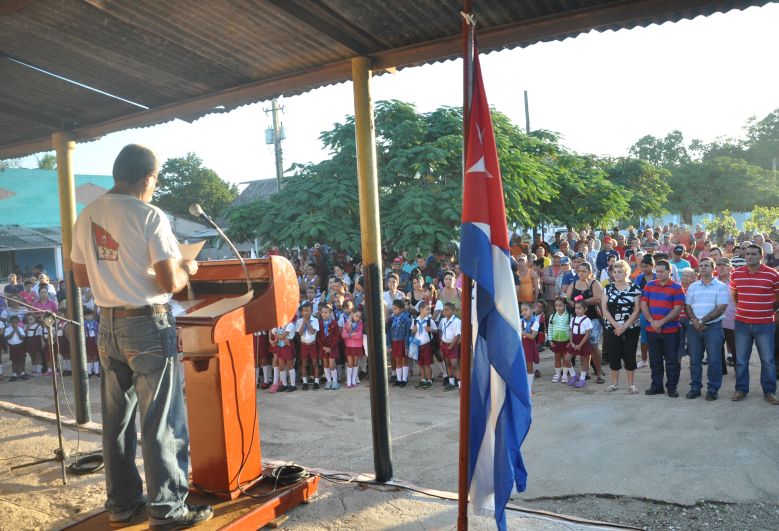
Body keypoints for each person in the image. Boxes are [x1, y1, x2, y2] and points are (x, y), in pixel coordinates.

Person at [70, 144, 212, 528]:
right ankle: (168, 510)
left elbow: (81, 277)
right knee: (160, 419)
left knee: (117, 422)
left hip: (108, 324)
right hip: (148, 323)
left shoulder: (87, 215)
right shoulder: (149, 214)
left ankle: (123, 505)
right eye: (156, 178)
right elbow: (170, 281)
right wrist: (189, 267)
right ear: (148, 177)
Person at [729, 244, 779, 405]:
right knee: (742, 359)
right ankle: (741, 389)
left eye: (754, 254)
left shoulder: (772, 275)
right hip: (742, 323)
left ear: (761, 255)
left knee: (768, 360)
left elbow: (778, 297)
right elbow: (734, 295)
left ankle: (769, 391)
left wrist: (767, 311)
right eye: (747, 254)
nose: (750, 256)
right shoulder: (736, 274)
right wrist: (745, 308)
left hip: (764, 324)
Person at [684, 257, 729, 400]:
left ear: (713, 268)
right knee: (694, 360)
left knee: (714, 360)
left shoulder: (720, 286)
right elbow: (688, 306)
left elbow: (721, 308)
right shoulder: (693, 286)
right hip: (694, 328)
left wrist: (702, 321)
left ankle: (713, 389)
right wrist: (694, 321)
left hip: (713, 327)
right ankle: (695, 388)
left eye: (706, 265)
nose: (702, 267)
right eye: (701, 265)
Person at [640, 259, 685, 397]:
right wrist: (652, 321)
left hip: (671, 331)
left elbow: (677, 309)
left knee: (672, 361)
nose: (658, 274)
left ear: (670, 272)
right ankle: (657, 386)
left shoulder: (677, 288)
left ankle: (672, 387)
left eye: (662, 271)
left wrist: (661, 322)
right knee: (655, 360)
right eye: (657, 271)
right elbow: (643, 305)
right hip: (652, 329)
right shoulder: (649, 285)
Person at [601, 260, 642, 394]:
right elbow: (604, 309)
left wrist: (624, 326)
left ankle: (631, 385)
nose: (617, 274)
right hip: (612, 327)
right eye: (615, 272)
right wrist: (616, 325)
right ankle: (614, 384)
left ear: (627, 272)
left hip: (630, 328)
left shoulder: (635, 288)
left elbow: (637, 310)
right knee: (614, 354)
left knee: (630, 355)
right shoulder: (607, 288)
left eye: (620, 271)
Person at [565, 262, 605, 384]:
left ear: (590, 272)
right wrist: (573, 304)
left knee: (593, 346)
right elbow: (567, 297)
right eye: (580, 271)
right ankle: (585, 371)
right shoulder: (573, 283)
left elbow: (598, 298)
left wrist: (581, 303)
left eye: (584, 271)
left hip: (592, 319)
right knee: (582, 346)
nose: (581, 273)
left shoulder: (594, 283)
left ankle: (599, 373)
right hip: (577, 320)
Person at [410, 301, 437, 389]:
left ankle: (429, 380)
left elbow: (436, 331)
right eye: (427, 309)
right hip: (418, 345)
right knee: (420, 364)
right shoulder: (415, 321)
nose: (429, 311)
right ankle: (423, 379)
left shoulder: (430, 321)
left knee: (427, 364)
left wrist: (431, 330)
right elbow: (412, 333)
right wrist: (413, 331)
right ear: (421, 309)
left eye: (430, 309)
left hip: (427, 345)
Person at [566, 298, 592, 388]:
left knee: (583, 361)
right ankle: (573, 375)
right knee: (566, 359)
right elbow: (570, 331)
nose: (577, 310)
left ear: (585, 309)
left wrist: (580, 345)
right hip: (574, 341)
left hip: (583, 342)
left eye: (579, 308)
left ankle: (582, 378)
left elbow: (587, 334)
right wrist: (571, 342)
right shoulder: (573, 319)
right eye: (576, 308)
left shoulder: (587, 320)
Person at [548, 298, 574, 383]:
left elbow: (572, 330)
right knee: (557, 357)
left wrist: (570, 341)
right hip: (555, 341)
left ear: (565, 305)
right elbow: (550, 328)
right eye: (556, 305)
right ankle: (557, 374)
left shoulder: (569, 316)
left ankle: (565, 375)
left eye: (560, 305)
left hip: (565, 341)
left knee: (566, 358)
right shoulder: (552, 316)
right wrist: (550, 340)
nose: (558, 307)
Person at [296, 302, 320, 390]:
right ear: (301, 312)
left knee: (315, 363)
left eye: (308, 310)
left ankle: (316, 382)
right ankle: (305, 382)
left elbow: (312, 332)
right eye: (304, 311)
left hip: (313, 345)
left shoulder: (315, 320)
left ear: (311, 311)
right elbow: (300, 333)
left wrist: (307, 323)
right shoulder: (299, 321)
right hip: (304, 345)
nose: (306, 312)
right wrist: (303, 322)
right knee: (304, 364)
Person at [317, 303, 341, 390]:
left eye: (326, 312)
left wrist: (330, 347)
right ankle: (329, 381)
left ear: (330, 313)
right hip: (323, 348)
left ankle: (335, 381)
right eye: (322, 312)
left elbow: (336, 337)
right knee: (325, 364)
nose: (324, 314)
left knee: (331, 365)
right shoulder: (319, 324)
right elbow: (318, 337)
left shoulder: (334, 323)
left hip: (332, 348)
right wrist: (323, 347)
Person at [388, 299, 412, 388]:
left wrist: (406, 346)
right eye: (393, 308)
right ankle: (398, 379)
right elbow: (389, 333)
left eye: (395, 309)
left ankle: (404, 379)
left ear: (401, 309)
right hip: (395, 342)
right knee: (397, 360)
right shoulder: (392, 319)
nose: (393, 310)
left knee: (404, 360)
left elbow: (407, 334)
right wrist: (389, 344)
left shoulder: (407, 320)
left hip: (402, 342)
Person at [439, 302, 461, 391]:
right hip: (444, 345)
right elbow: (440, 330)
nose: (445, 312)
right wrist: (441, 340)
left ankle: (460, 385)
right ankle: (451, 383)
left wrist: (452, 346)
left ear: (453, 311)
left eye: (447, 310)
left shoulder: (457, 321)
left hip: (452, 346)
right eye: (444, 310)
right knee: (447, 363)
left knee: (454, 364)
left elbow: (458, 335)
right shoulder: (443, 320)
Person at [341, 309, 364, 388]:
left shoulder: (361, 324)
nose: (358, 318)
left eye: (359, 316)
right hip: (349, 346)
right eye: (356, 316)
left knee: (355, 363)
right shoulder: (347, 323)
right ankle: (349, 381)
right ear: (352, 315)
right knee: (350, 363)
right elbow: (343, 335)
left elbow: (359, 336)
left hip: (357, 346)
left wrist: (349, 334)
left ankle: (354, 380)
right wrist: (352, 334)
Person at [520, 302, 539, 393]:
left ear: (532, 310)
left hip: (529, 346)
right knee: (521, 367)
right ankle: (523, 388)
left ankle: (529, 388)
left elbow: (532, 336)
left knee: (529, 367)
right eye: (522, 310)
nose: (523, 312)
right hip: (521, 345)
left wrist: (522, 332)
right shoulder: (520, 321)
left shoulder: (535, 322)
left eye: (526, 310)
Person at [4, 315, 28, 381]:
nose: (14, 323)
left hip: (20, 346)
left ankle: (23, 373)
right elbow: (8, 337)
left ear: (18, 322)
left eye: (15, 322)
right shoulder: (7, 329)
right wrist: (14, 330)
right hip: (12, 347)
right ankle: (14, 374)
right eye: (12, 322)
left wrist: (17, 330)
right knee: (14, 361)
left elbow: (21, 337)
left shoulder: (20, 329)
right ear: (10, 322)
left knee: (22, 360)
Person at [83, 308, 100, 377]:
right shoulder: (83, 323)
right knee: (88, 357)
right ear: (84, 316)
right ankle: (89, 372)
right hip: (87, 340)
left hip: (94, 340)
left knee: (95, 356)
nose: (88, 317)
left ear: (92, 315)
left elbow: (99, 332)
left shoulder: (96, 323)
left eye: (89, 315)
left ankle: (97, 372)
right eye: (86, 315)